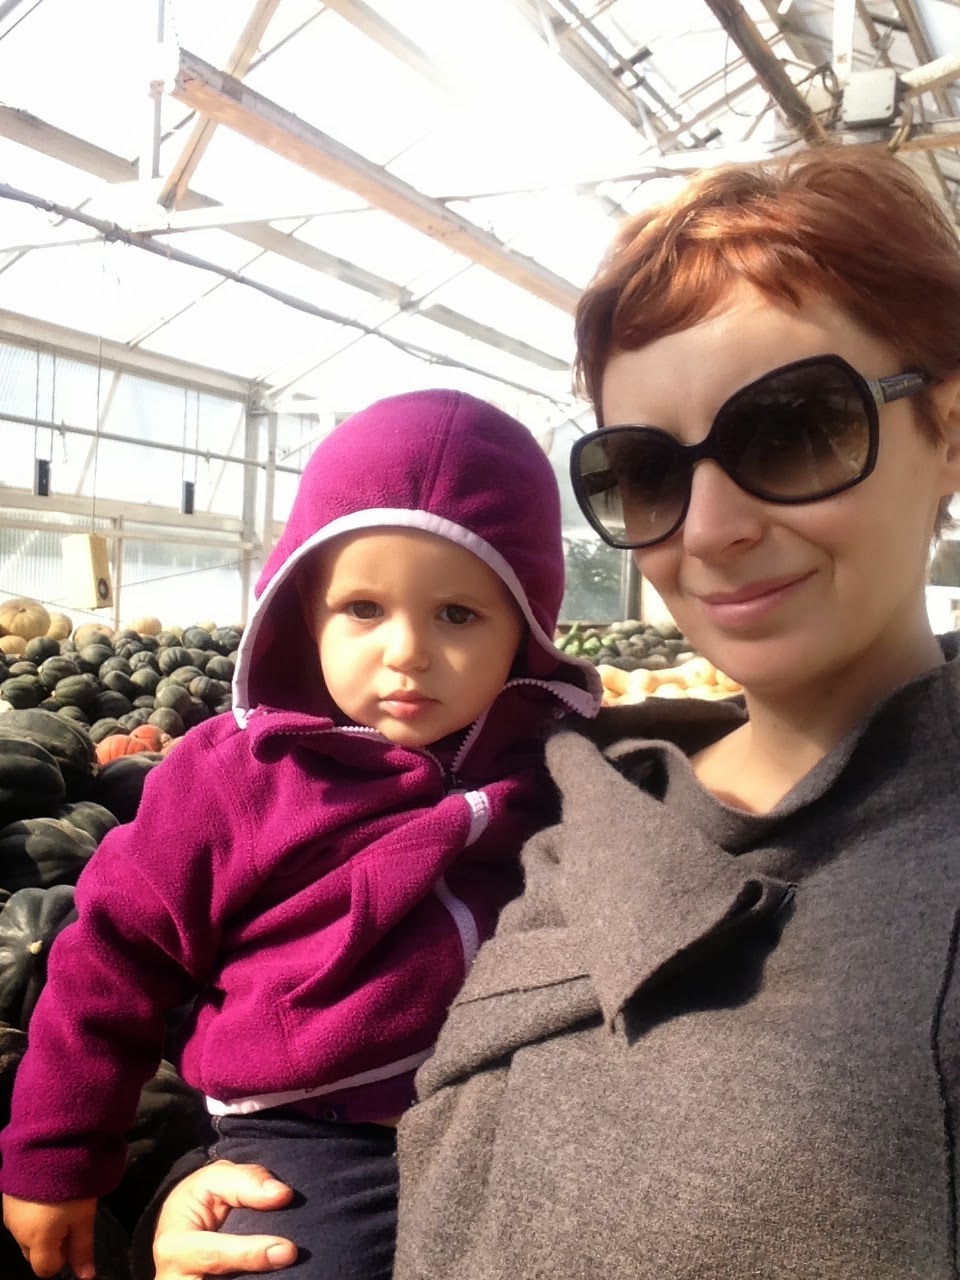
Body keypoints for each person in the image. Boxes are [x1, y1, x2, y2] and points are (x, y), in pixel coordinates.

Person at [134, 142, 960, 1279]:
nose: (709, 526)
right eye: (647, 469)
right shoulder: (578, 790)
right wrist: (203, 1190)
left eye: (793, 429)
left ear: (947, 431)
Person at [0, 389, 600, 1280]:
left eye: (458, 614)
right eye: (363, 608)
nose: (407, 651)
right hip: (319, 1134)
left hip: (523, 1114)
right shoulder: (232, 776)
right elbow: (112, 959)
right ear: (304, 610)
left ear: (527, 633)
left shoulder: (557, 767)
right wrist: (58, 1156)